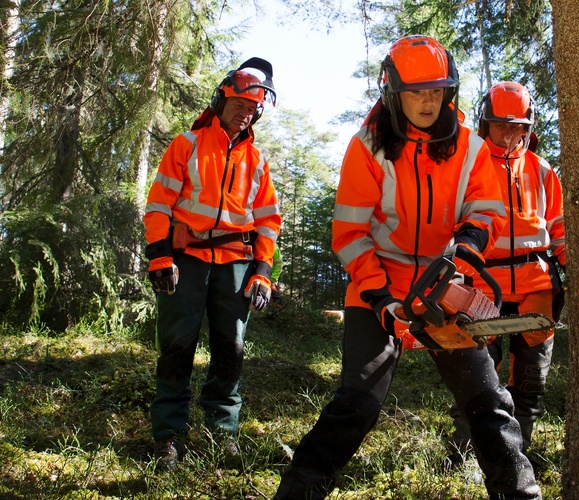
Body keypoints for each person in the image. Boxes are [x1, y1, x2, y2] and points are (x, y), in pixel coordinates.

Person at [272, 35, 540, 499]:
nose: (427, 101)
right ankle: (298, 491)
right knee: (358, 400)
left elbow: (486, 209)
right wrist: (379, 297)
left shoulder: (470, 147)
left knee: (489, 402)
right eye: (417, 92)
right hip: (378, 282)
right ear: (393, 93)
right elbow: (350, 234)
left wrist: (468, 246)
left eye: (436, 91)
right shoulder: (369, 147)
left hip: (444, 282)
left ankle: (520, 494)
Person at [143, 57, 281, 471]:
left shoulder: (257, 159)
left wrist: (263, 271)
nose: (244, 112)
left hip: (236, 264)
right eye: (238, 103)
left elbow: (268, 220)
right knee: (177, 346)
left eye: (251, 107)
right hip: (185, 260)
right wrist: (159, 254)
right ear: (221, 101)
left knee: (230, 350)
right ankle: (168, 436)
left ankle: (223, 434)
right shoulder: (187, 144)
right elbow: (159, 204)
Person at [449, 81, 565, 464]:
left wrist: (571, 267)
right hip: (483, 285)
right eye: (501, 125)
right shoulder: (469, 165)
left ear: (529, 127)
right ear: (486, 123)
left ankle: (519, 456)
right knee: (478, 378)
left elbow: (560, 229)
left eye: (517, 126)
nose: (509, 134)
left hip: (537, 286)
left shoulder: (543, 170)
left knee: (530, 381)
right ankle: (464, 455)